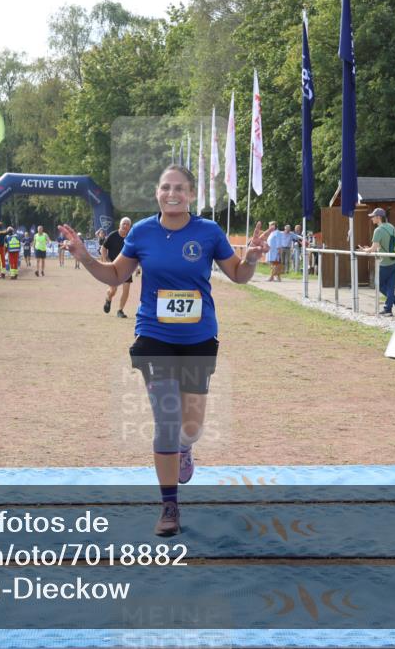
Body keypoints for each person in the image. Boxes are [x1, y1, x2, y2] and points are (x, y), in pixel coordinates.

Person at [59, 165, 266, 537]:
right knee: (166, 422)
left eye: (180, 188)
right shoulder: (141, 232)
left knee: (191, 427)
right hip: (154, 338)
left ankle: (185, 449)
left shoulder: (208, 232)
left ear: (190, 194)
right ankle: (169, 505)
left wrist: (250, 259)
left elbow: (237, 274)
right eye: (166, 187)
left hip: (199, 339)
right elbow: (115, 275)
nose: (173, 194)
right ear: (157, 192)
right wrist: (83, 256)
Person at [359, 207, 395, 315]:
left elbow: (373, 249)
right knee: (390, 286)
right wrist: (374, 248)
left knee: (379, 284)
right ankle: (389, 308)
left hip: (385, 263)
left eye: (373, 217)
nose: (372, 219)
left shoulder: (378, 230)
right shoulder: (392, 227)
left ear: (378, 217)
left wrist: (365, 249)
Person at [101, 217, 133, 318]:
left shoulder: (131, 237)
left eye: (128, 224)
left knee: (126, 289)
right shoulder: (113, 235)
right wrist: (106, 261)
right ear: (120, 225)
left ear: (130, 227)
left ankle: (120, 310)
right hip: (113, 266)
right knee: (113, 290)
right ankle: (108, 298)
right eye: (124, 223)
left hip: (127, 267)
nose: (125, 225)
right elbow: (103, 248)